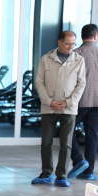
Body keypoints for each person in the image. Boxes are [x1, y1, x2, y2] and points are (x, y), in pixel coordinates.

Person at [33, 30, 86, 187]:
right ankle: (46, 173)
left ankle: (62, 175)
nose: (71, 47)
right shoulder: (45, 59)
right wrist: (49, 101)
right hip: (48, 107)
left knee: (66, 143)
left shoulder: (79, 60)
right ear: (59, 43)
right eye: (68, 44)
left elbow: (81, 84)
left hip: (68, 108)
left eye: (73, 44)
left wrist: (68, 102)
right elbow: (39, 82)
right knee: (46, 142)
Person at [70, 24, 98, 180]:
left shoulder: (76, 54)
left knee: (66, 131)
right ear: (95, 36)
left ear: (82, 37)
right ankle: (89, 172)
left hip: (80, 101)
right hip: (96, 101)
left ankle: (78, 160)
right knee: (92, 134)